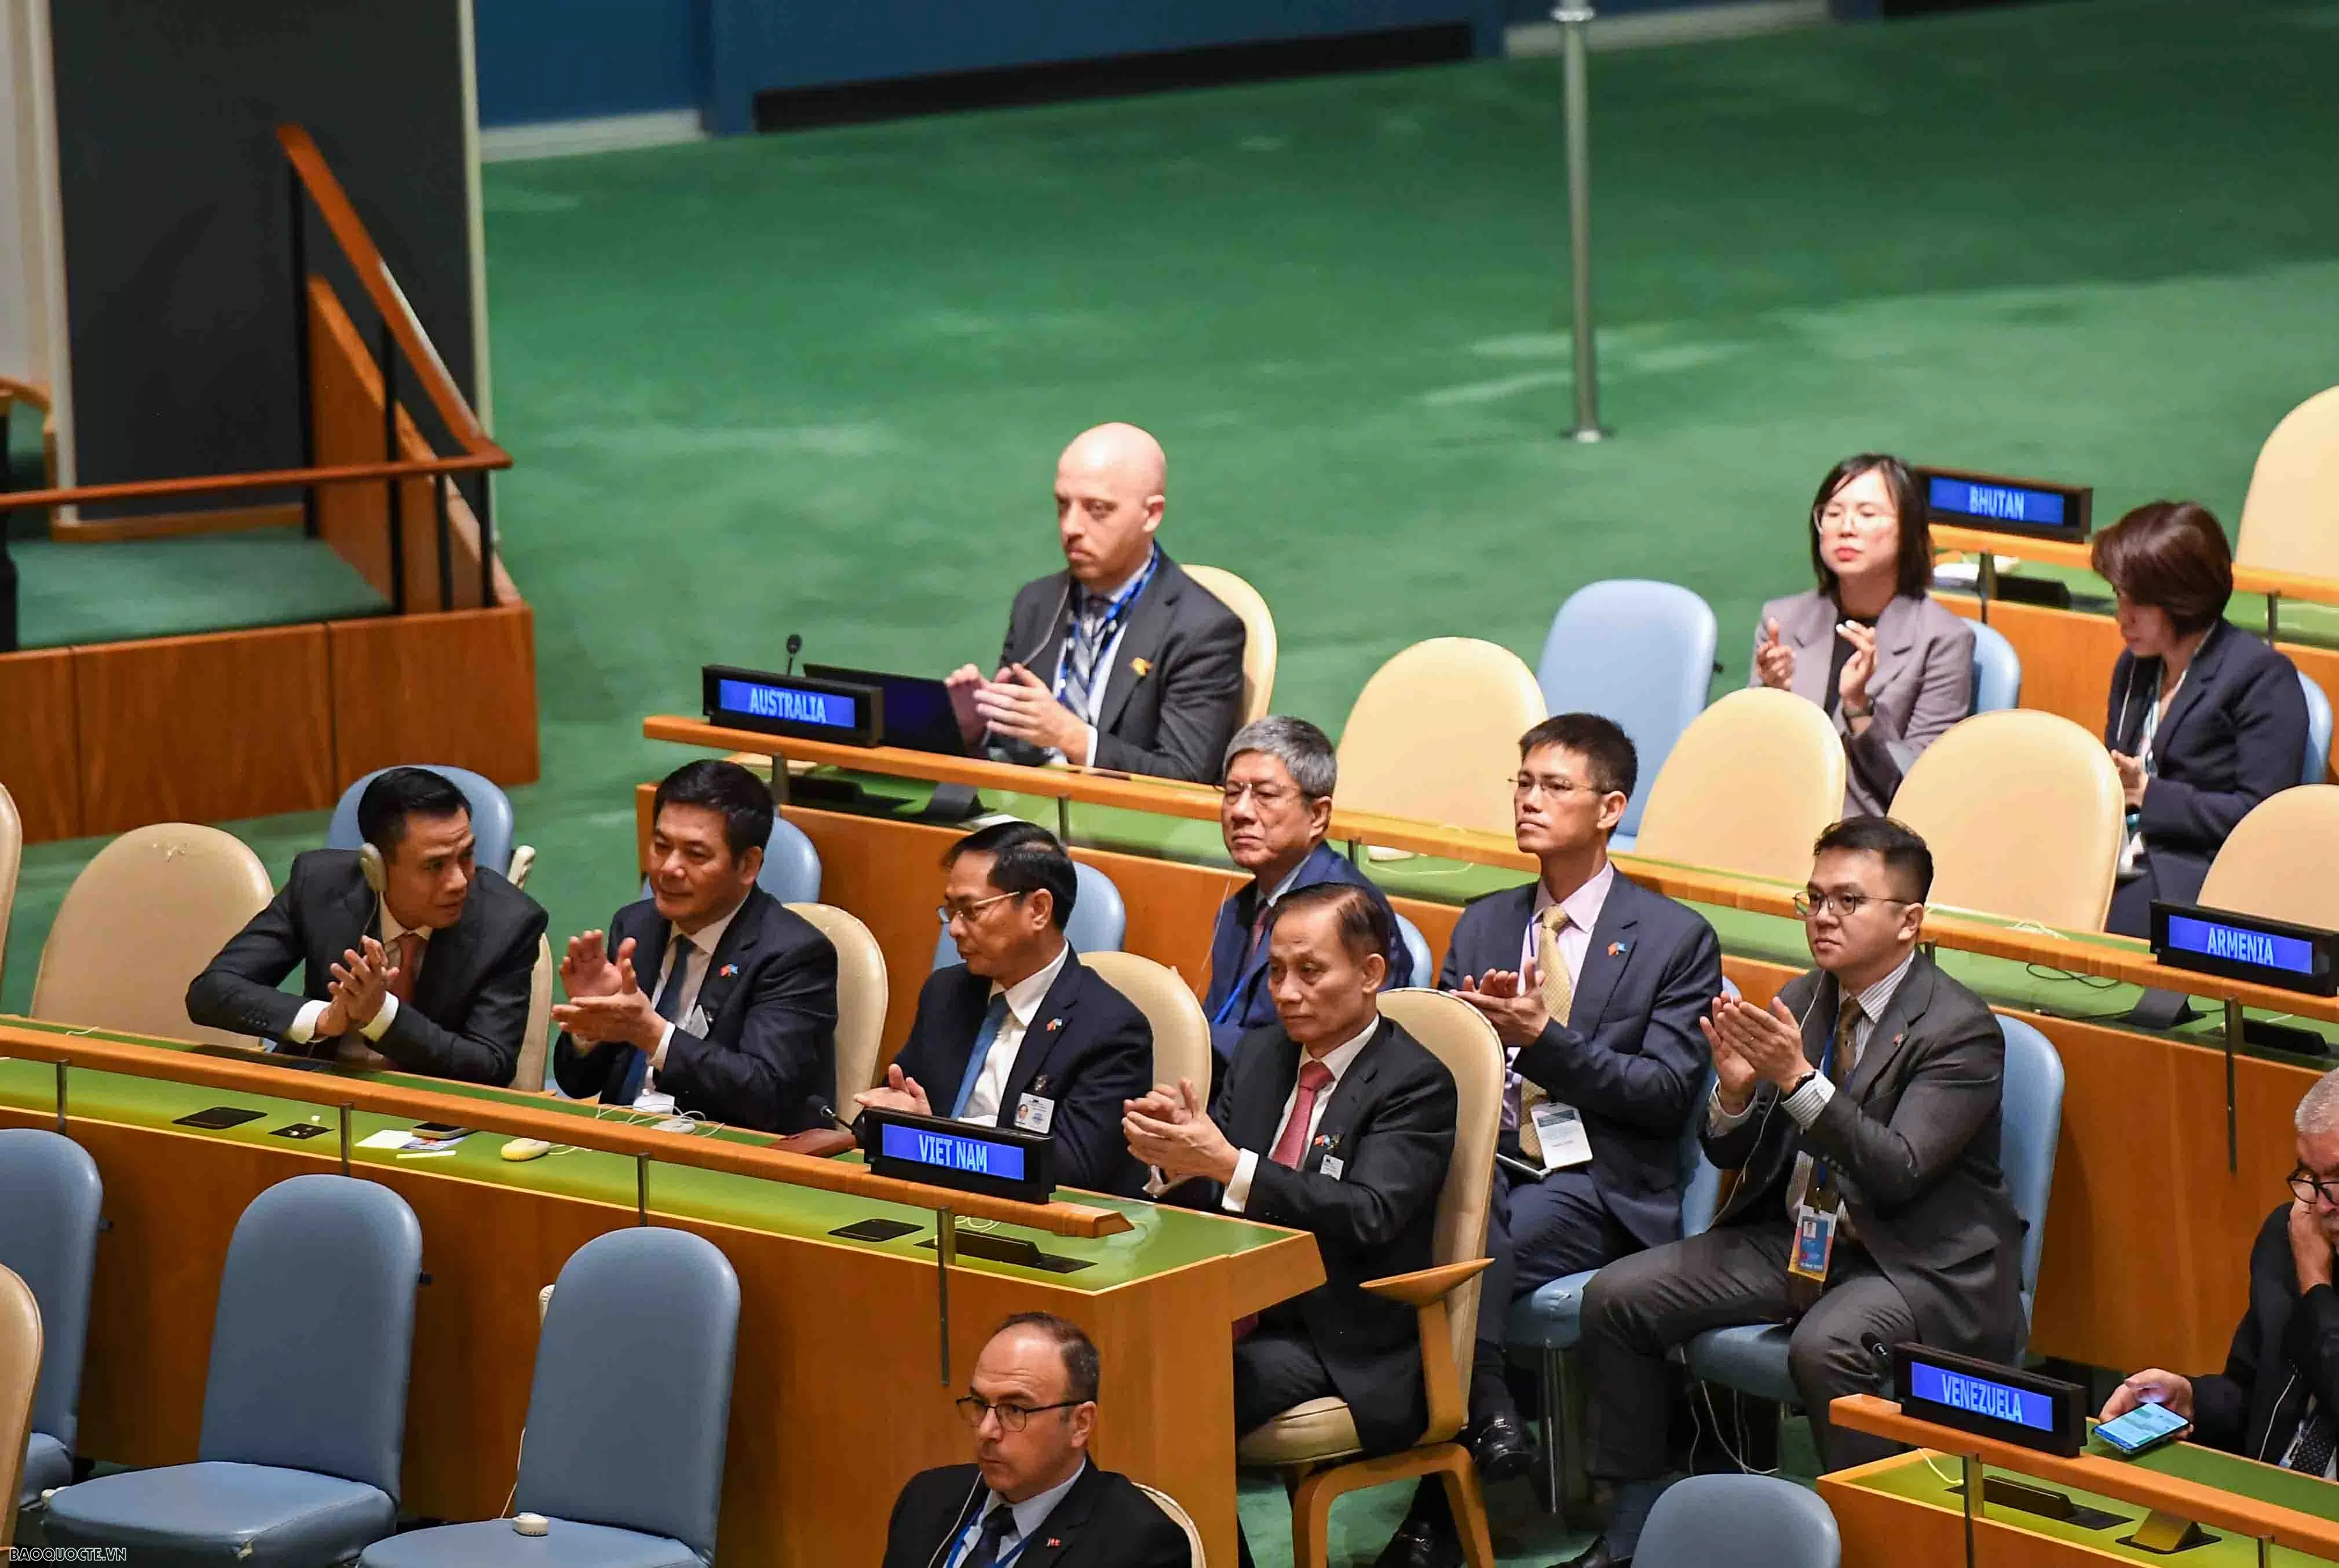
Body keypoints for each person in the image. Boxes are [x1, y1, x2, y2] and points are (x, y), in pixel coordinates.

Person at [1563, 817, 2020, 1568]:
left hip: (1910, 1260)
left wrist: (1797, 1081)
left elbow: (1898, 1168)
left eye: (1846, 899)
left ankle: (1877, 1544)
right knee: (1617, 1296)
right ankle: (1634, 1532)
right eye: (1812, 897)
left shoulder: (1958, 1028)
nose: (1821, 916)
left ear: (1909, 920)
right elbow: (1727, 1148)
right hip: (1799, 1238)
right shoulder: (1803, 997)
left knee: (1827, 1347)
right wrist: (1737, 1096)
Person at [1380, 715, 1722, 1568]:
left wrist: (1543, 1039)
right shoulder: (1486, 924)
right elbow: (1439, 1065)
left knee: (1468, 1248)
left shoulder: (1674, 938)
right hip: (1487, 1163)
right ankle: (1488, 1405)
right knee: (1443, 1215)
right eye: (1522, 782)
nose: (1530, 799)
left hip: (1599, 1181)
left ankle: (1439, 1507)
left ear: (1609, 807)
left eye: (1553, 786)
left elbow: (1663, 1093)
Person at [1126, 882, 1456, 1568]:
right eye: (1275, 971)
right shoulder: (1261, 1054)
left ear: (1371, 974)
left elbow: (1370, 1213)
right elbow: (1220, 1175)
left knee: (1179, 1391)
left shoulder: (1415, 1082)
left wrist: (1228, 1162)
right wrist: (1175, 1160)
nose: (1286, 991)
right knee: (1116, 1361)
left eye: (1311, 971)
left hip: (1336, 1328)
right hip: (1232, 1299)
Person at [185, 767, 547, 1084]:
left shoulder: (510, 922)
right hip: (320, 1092)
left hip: (433, 1111)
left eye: (467, 855)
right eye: (435, 866)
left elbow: (491, 1065)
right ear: (375, 867)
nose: (458, 882)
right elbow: (212, 992)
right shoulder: (317, 884)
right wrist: (324, 1018)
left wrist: (380, 1014)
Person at [858, 820, 1152, 1196]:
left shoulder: (1111, 1030)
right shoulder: (947, 993)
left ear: (1039, 910)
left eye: (971, 910)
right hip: (925, 1208)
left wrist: (930, 1138)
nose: (954, 929)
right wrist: (888, 1118)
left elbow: (1069, 1173)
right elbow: (884, 1122)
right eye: (950, 910)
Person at [945, 422, 1247, 784]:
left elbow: (1184, 777)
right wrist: (974, 728)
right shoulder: (1036, 603)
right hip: (1024, 821)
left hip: (1129, 831)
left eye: (1098, 509)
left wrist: (1071, 737)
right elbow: (1013, 752)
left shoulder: (1203, 629)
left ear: (1151, 515)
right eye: (1062, 505)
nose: (1071, 526)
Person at [550, 761, 839, 1132]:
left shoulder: (794, 955)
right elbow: (577, 1085)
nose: (669, 868)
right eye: (660, 846)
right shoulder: (635, 926)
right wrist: (591, 1028)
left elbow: (768, 1096)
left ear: (748, 865)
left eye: (696, 855)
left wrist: (652, 1034)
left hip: (728, 1166)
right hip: (619, 1145)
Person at [2100, 1069, 2339, 1472]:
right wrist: (2190, 1400)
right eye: (2311, 1176)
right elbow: (2252, 1394)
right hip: (2266, 1504)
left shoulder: (2308, 1256)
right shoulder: (2288, 1239)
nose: (2320, 1204)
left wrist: (2316, 1286)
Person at [2093, 500, 2308, 937]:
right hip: (2115, 853)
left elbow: (2259, 816)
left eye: (2139, 602)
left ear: (2182, 599)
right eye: (2120, 596)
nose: (2123, 616)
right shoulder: (2135, 666)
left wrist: (2149, 794)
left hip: (2194, 870)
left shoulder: (2261, 678)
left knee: (2110, 926)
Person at [1750, 454, 1974, 816]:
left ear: (1909, 530)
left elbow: (1919, 786)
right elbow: (1752, 756)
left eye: (1867, 515)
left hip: (1869, 835)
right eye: (1834, 513)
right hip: (1775, 815)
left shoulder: (1943, 640)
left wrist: (1859, 707)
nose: (1846, 528)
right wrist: (1773, 698)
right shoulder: (1783, 621)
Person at [883, 1313, 1190, 1567]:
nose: (986, 1430)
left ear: (1080, 1424)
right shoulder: (926, 1500)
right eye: (980, 1404)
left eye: (1015, 1410)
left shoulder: (1139, 1546)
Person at [1203, 715, 1410, 1065]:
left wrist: (1196, 1033)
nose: (1240, 812)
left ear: (1317, 815)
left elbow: (1335, 1054)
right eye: (1232, 793)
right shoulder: (1238, 909)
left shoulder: (1349, 908)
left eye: (1265, 795)